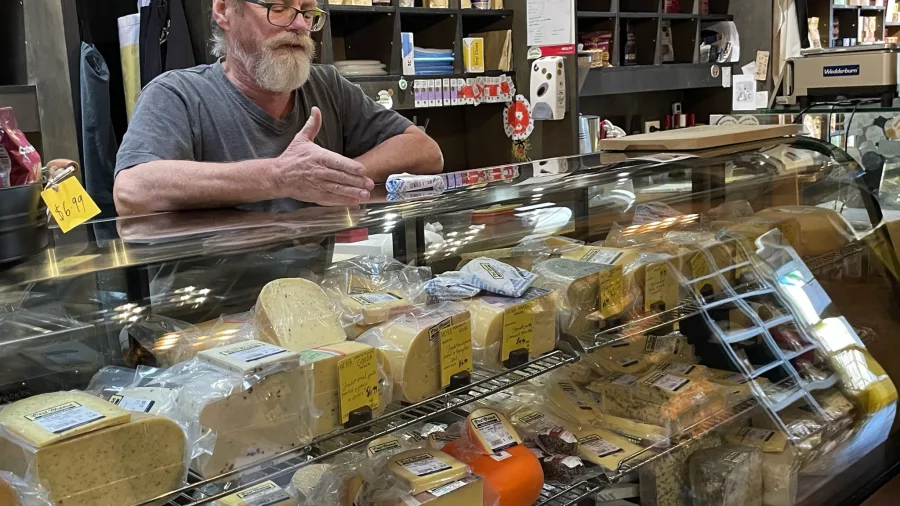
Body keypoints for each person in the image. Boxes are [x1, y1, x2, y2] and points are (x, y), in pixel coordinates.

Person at [113, 0, 443, 215]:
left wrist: (329, 180)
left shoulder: (326, 86)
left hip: (308, 302)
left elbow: (426, 151)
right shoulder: (177, 94)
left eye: (307, 11)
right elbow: (131, 190)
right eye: (279, 7)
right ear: (224, 10)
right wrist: (279, 177)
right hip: (204, 317)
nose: (299, 25)